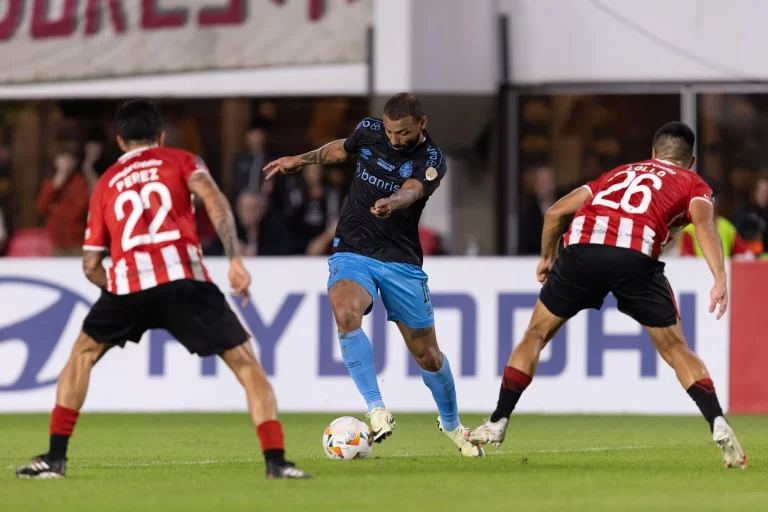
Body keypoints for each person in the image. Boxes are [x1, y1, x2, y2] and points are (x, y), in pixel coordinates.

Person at [16, 100, 309, 480]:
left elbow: (90, 265)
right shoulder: (182, 160)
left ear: (121, 140)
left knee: (81, 356)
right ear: (162, 135)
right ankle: (276, 462)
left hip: (127, 287)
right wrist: (235, 259)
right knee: (247, 365)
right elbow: (215, 201)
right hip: (184, 281)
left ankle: (55, 459)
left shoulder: (104, 183)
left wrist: (119, 288)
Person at [467, 122, 747, 469]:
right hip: (633, 256)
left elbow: (555, 212)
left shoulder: (617, 173)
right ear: (691, 161)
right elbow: (704, 226)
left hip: (582, 249)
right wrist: (719, 276)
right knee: (675, 347)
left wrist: (547, 257)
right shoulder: (694, 183)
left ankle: (497, 420)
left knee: (536, 334)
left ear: (654, 153)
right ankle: (717, 420)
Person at [264, 93, 482, 457]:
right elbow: (341, 150)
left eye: (404, 133)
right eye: (391, 131)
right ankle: (377, 409)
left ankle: (452, 425)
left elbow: (413, 190)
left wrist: (392, 202)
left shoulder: (431, 159)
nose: (395, 139)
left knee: (428, 356)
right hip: (353, 249)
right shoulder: (369, 131)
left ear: (422, 125)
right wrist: (300, 161)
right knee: (345, 312)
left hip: (401, 260)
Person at [35, 145, 90, 256]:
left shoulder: (80, 182)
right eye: (61, 159)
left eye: (67, 159)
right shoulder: (50, 182)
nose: (64, 163)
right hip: (56, 242)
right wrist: (56, 185)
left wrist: (56, 209)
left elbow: (80, 209)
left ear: (74, 162)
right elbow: (41, 206)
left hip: (76, 242)